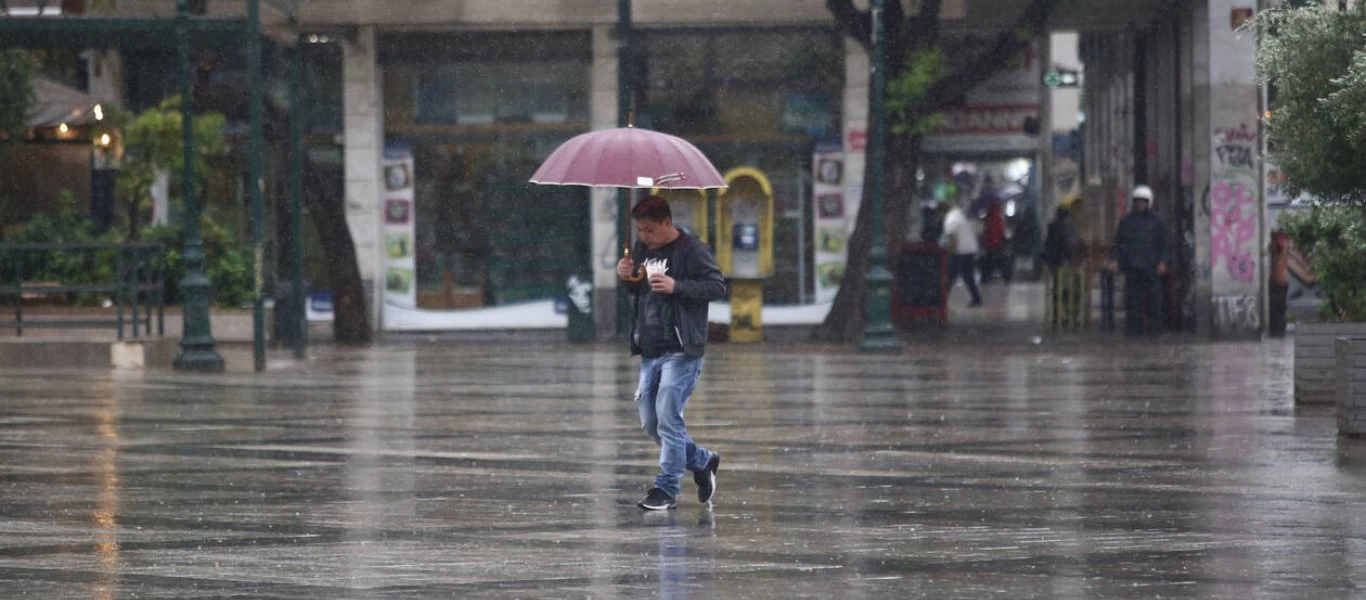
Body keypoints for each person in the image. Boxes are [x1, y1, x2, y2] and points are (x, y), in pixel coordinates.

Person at [616, 195, 727, 511]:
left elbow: (717, 287)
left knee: (668, 418)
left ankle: (666, 489)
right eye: (639, 231)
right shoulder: (641, 250)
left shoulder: (692, 250)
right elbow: (639, 290)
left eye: (649, 230)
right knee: (651, 423)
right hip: (650, 348)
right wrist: (626, 276)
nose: (644, 237)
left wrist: (677, 286)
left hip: (681, 350)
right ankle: (701, 460)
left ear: (667, 223)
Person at [1107, 185, 1167, 337]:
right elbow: (1119, 242)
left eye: (1143, 201)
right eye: (1137, 201)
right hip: (1132, 266)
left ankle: (1154, 330)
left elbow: (1163, 244)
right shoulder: (1127, 222)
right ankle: (1133, 330)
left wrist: (1162, 262)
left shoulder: (1156, 222)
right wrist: (1115, 260)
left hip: (1151, 267)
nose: (1140, 204)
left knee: (1154, 302)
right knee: (1132, 301)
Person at [937, 200, 982, 307]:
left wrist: (945, 249)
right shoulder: (958, 215)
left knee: (950, 276)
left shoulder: (950, 221)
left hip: (961, 251)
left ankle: (940, 300)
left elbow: (954, 242)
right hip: (970, 249)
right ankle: (976, 298)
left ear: (941, 212)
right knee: (967, 276)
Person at [979, 198, 1011, 283]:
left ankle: (985, 278)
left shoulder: (988, 218)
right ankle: (1006, 278)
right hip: (997, 244)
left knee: (989, 263)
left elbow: (986, 232)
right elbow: (1000, 231)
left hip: (989, 244)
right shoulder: (998, 218)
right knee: (1000, 263)